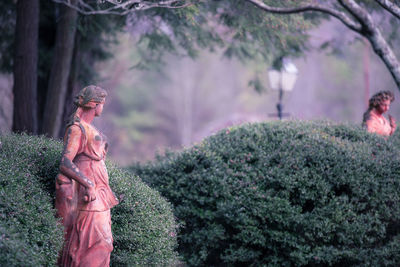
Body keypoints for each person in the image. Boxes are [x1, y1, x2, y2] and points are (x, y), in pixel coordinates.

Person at [55, 85, 119, 267]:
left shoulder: (89, 128)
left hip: (99, 195)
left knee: (104, 244)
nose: (103, 108)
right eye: (102, 104)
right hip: (88, 196)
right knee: (90, 245)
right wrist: (89, 184)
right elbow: (65, 162)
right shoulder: (77, 129)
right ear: (93, 104)